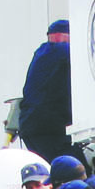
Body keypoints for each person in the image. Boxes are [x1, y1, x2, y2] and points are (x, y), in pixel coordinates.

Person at [19, 21, 74, 162]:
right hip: (49, 129)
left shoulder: (41, 53)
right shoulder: (63, 51)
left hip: (31, 127)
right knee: (75, 170)